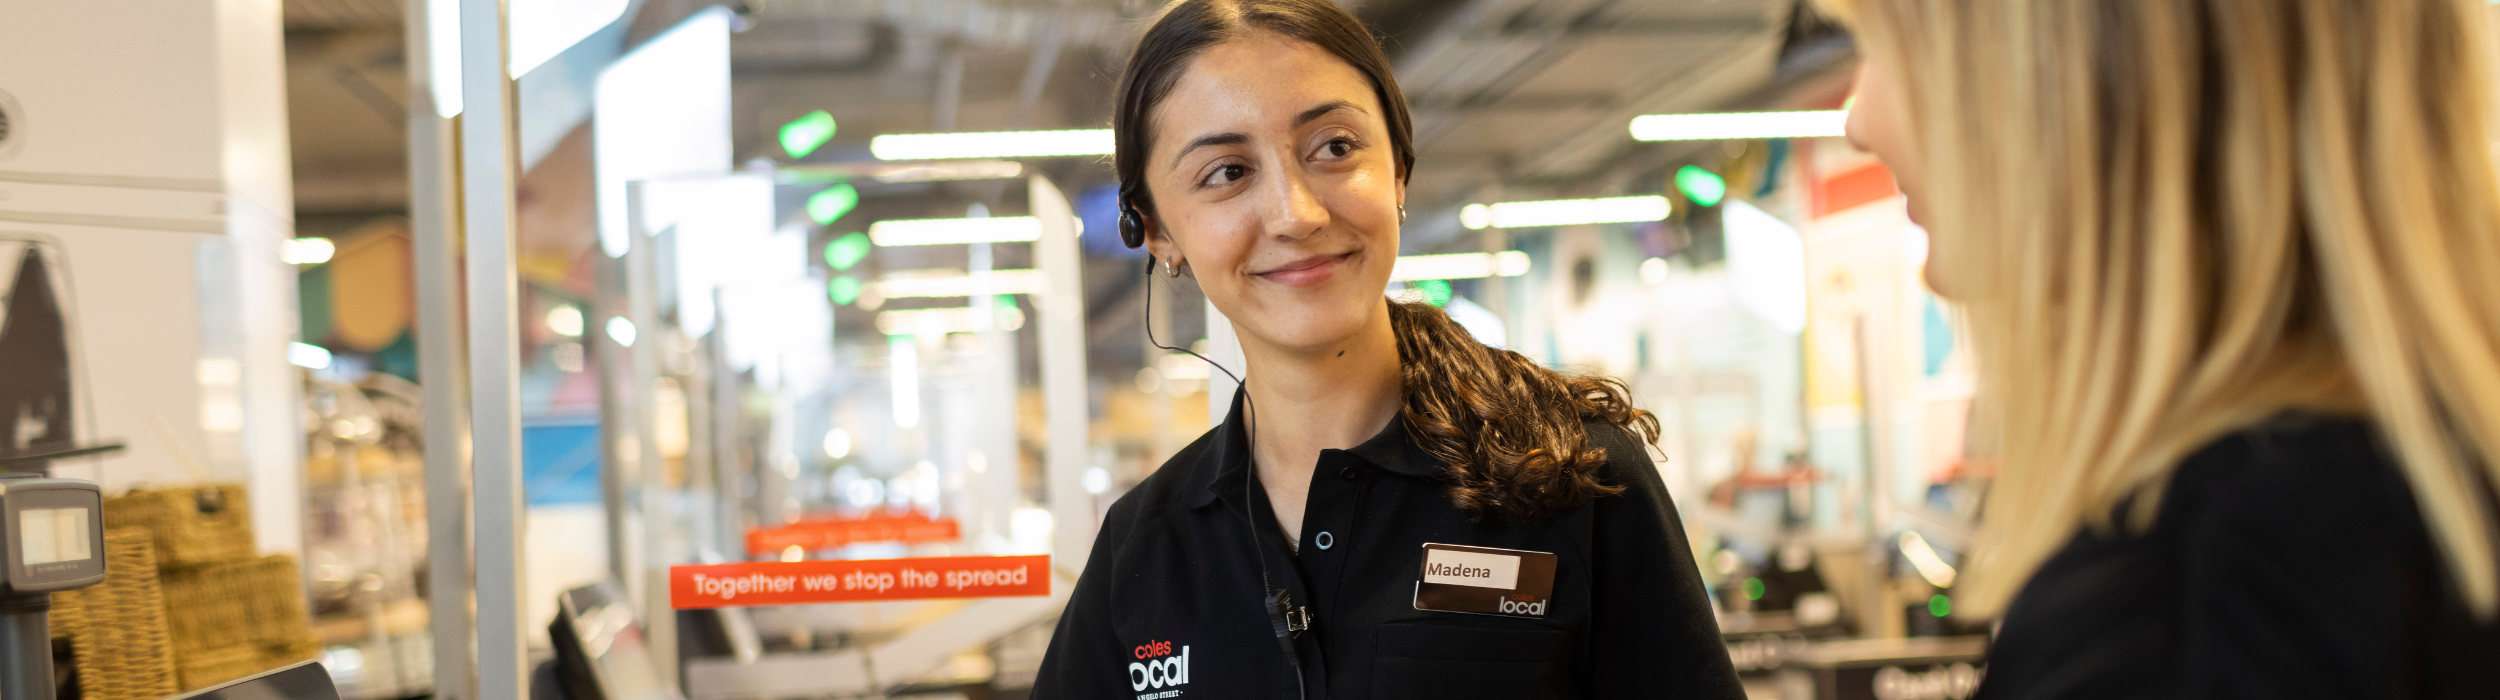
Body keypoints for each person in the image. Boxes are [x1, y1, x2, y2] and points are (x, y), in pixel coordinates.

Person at [1028, 0, 1745, 697]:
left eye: (1335, 148)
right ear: (1156, 231)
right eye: (1228, 172)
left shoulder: (1570, 472)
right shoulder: (1144, 547)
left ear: (1398, 169)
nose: (1296, 214)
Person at [1830, 0, 2500, 696]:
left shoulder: (2183, 615)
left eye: (1889, 45)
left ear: (2087, 71)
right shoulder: (2425, 505)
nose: (1857, 122)